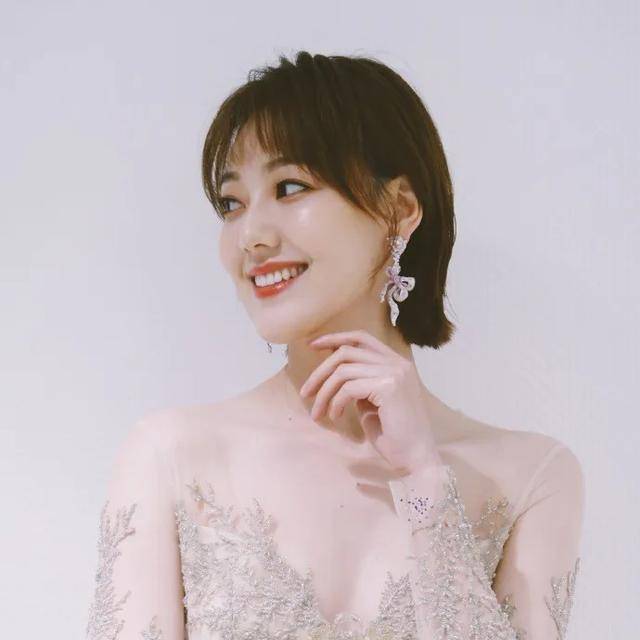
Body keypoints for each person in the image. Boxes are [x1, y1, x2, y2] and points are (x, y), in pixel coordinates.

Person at [85, 51, 584, 640]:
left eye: (290, 187)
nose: (251, 236)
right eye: (232, 203)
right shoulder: (172, 455)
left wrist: (424, 480)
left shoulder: (530, 476)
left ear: (398, 210)